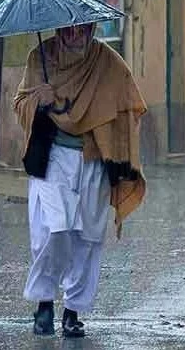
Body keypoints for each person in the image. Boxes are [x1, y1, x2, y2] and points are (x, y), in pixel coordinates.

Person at [13, 23, 147, 337]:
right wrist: (38, 100)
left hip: (94, 159)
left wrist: (119, 146)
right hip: (52, 157)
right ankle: (44, 302)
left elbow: (130, 106)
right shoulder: (39, 58)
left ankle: (72, 310)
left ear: (91, 29)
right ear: (58, 32)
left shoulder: (107, 61)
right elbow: (19, 105)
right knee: (54, 229)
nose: (75, 37)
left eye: (82, 30)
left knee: (88, 236)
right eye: (68, 31)